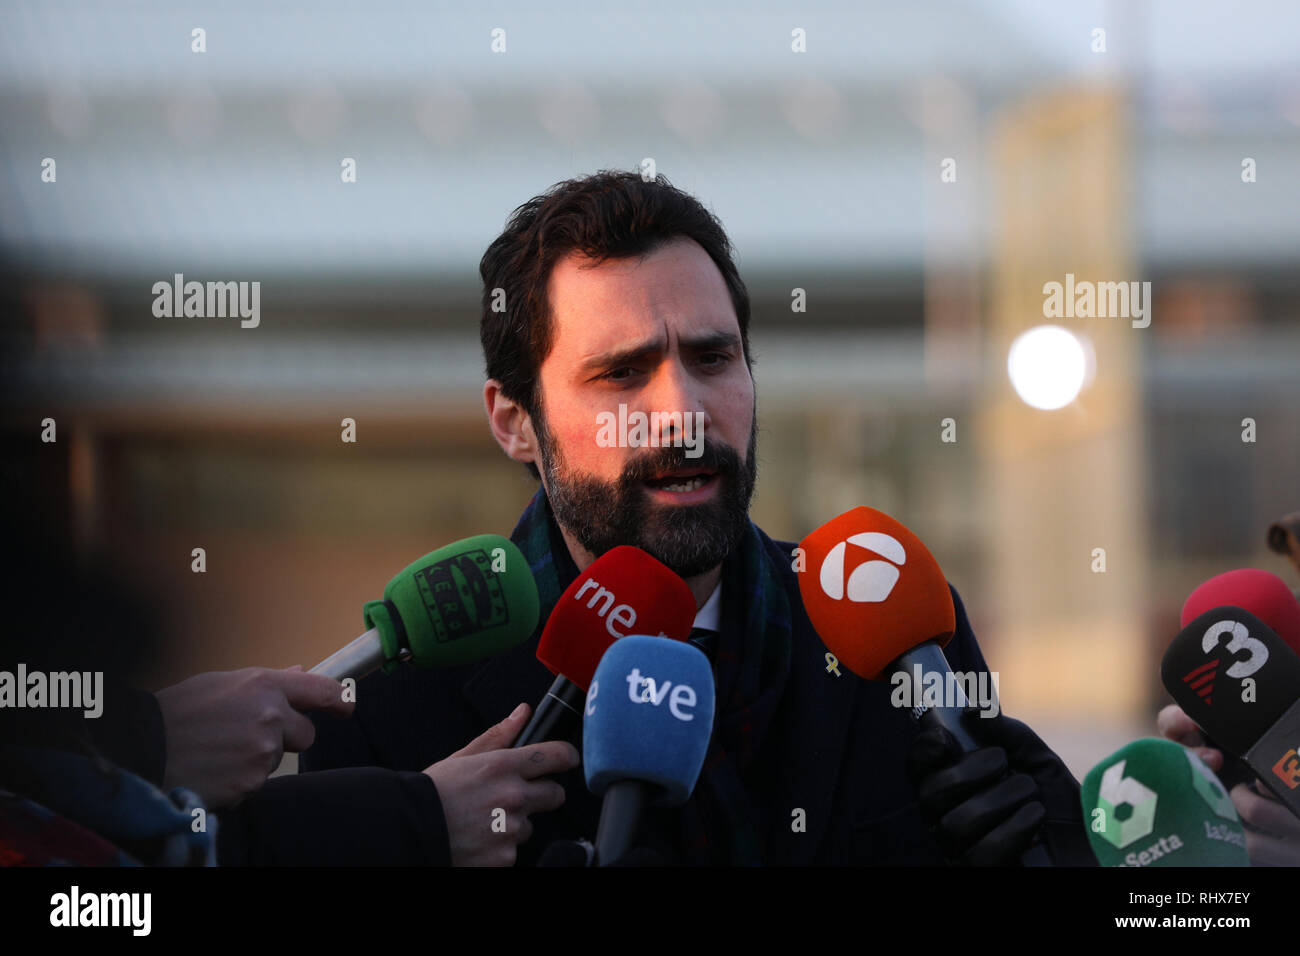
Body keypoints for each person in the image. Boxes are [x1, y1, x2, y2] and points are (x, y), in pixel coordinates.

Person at [302, 169, 1094, 866]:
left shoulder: (898, 634)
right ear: (515, 422)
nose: (681, 413)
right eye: (622, 373)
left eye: (712, 359)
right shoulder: (394, 706)